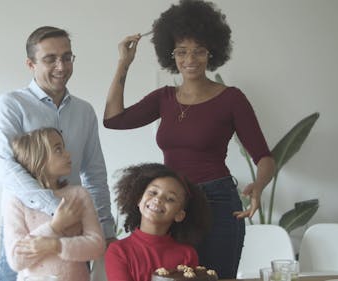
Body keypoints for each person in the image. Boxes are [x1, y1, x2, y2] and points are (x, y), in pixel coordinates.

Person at [103, 0, 276, 278]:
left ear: (212, 53)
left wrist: (258, 184)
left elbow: (264, 157)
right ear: (171, 55)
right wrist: (124, 63)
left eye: (198, 51)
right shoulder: (164, 98)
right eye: (182, 52)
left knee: (217, 276)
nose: (190, 59)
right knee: (173, 276)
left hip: (218, 201)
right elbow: (113, 120)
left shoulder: (231, 99)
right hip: (174, 204)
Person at [0, 26, 115, 281]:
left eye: (67, 57)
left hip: (75, 233)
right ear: (30, 64)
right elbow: (6, 168)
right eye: (50, 59)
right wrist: (56, 211)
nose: (61, 66)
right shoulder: (11, 104)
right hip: (27, 231)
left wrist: (105, 230)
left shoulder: (84, 111)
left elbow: (94, 174)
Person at [4, 127, 105, 281]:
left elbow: (96, 246)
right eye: (58, 150)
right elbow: (15, 260)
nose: (68, 154)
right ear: (37, 157)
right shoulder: (17, 201)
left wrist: (54, 245)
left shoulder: (78, 195)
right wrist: (54, 227)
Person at [105, 163, 210, 281]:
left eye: (170, 199)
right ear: (139, 199)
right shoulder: (118, 251)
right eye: (153, 192)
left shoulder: (188, 254)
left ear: (179, 215)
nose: (158, 199)